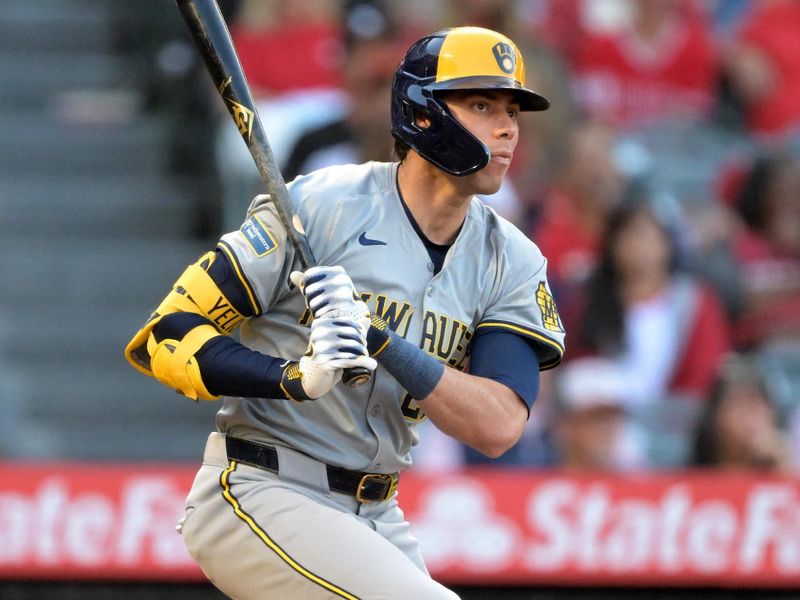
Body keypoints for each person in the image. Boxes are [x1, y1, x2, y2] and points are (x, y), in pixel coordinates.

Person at [125, 27, 564, 599]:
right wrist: (291, 378)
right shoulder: (318, 206)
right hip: (263, 485)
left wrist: (381, 340)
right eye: (482, 105)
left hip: (376, 511)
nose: (508, 127)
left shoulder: (512, 259)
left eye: (513, 109)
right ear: (424, 112)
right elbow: (165, 335)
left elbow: (499, 426)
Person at [690, 353, 794, 472]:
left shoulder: (781, 462)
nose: (747, 417)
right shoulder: (694, 476)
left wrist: (782, 463)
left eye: (754, 404)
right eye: (738, 404)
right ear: (715, 417)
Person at [551, 356, 632, 471]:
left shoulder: (640, 482)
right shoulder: (531, 478)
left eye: (615, 418)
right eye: (598, 419)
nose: (609, 429)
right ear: (566, 424)